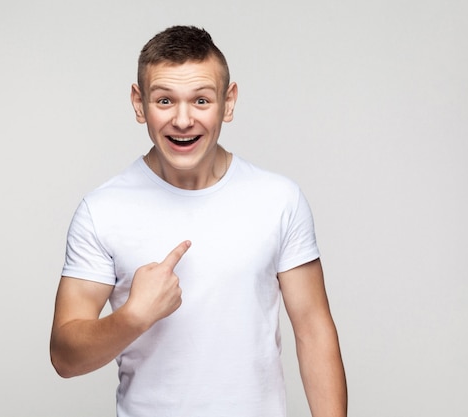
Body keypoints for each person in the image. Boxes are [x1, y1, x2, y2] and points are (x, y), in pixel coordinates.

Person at [50, 25, 347, 417]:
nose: (183, 119)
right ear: (139, 104)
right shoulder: (102, 210)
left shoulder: (279, 200)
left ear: (229, 102)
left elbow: (313, 332)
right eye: (165, 101)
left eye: (202, 100)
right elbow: (65, 358)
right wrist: (133, 317)